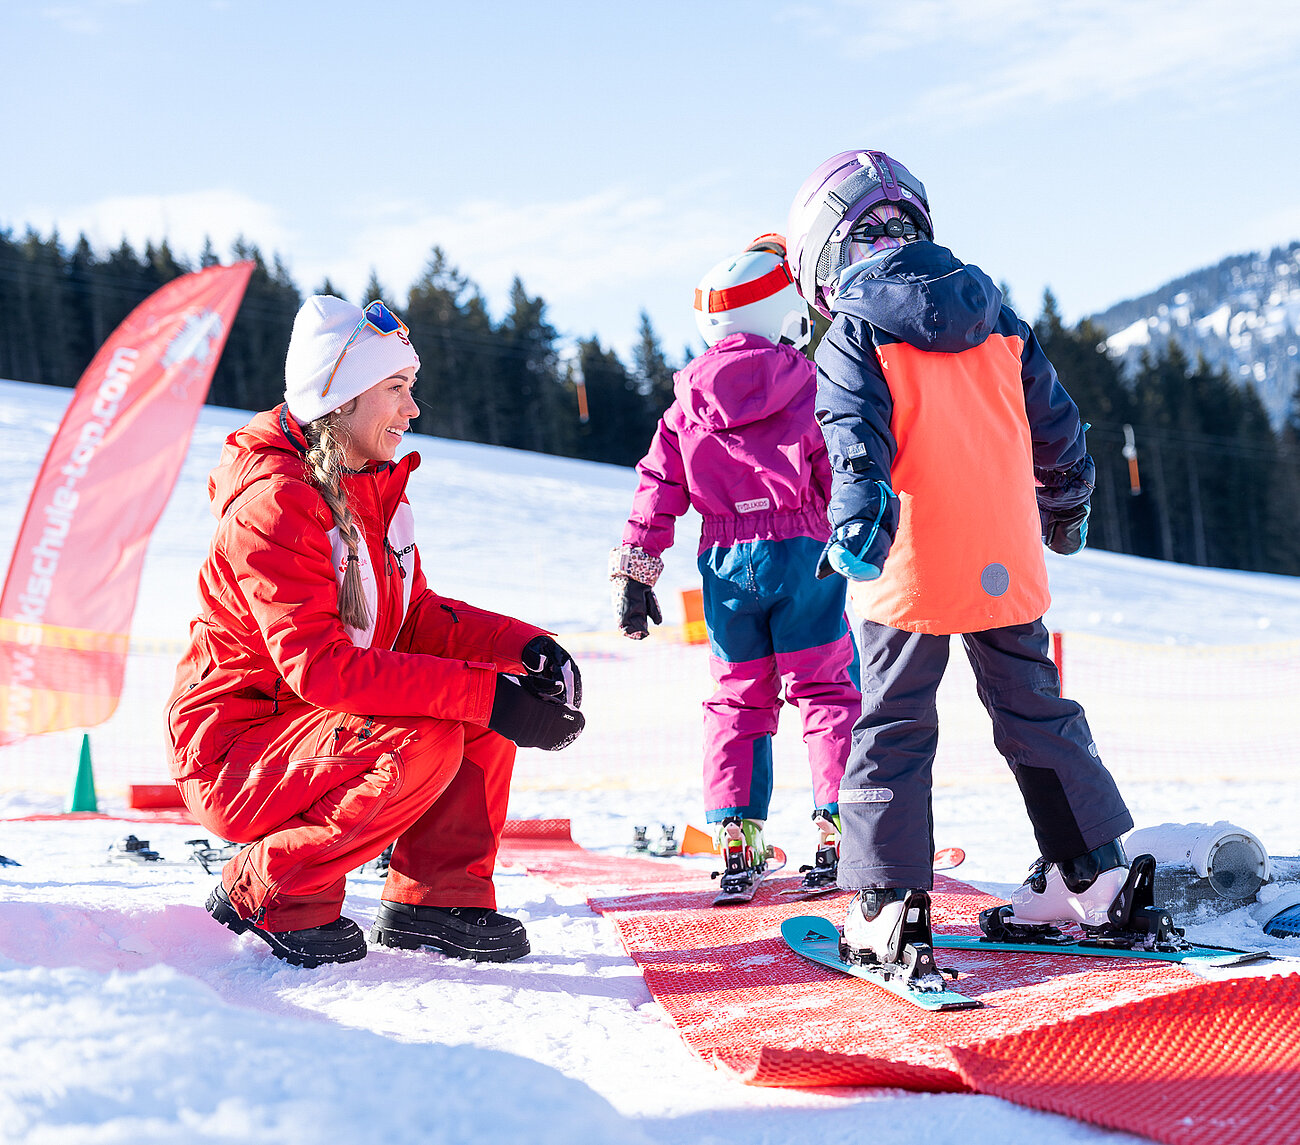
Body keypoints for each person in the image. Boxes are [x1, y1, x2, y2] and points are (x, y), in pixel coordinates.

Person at [784, 150, 1137, 972]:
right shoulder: (1001, 317)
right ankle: (1097, 877)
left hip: (908, 565)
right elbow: (1059, 428)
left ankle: (889, 906)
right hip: (1005, 560)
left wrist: (858, 531)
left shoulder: (856, 331)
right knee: (1037, 714)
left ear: (825, 255)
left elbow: (855, 444)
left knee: (893, 728)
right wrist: (1067, 507)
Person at [167, 295, 584, 968]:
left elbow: (415, 620)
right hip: (235, 753)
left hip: (306, 730)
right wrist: (488, 693)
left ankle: (436, 898)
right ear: (340, 396)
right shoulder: (276, 503)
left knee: (476, 714)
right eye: (396, 388)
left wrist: (525, 648)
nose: (411, 409)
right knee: (428, 732)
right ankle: (273, 888)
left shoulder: (370, 486)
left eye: (409, 387)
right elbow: (324, 669)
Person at [610, 236, 860, 899]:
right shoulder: (807, 381)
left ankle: (737, 838)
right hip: (804, 554)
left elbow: (656, 485)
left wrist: (636, 572)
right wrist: (865, 538)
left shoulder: (685, 403)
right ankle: (841, 826)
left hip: (724, 563)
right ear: (784, 314)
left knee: (737, 698)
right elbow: (836, 467)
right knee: (826, 689)